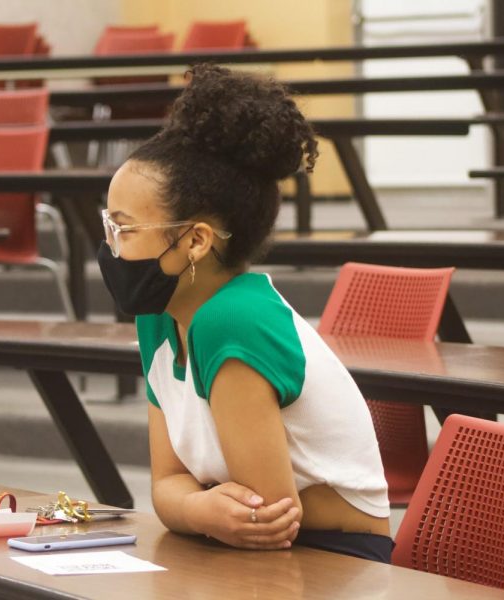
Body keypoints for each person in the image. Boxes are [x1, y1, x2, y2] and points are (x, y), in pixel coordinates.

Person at [96, 64, 392, 563]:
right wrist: (197, 510)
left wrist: (196, 507)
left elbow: (268, 518)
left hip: (335, 562)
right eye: (109, 225)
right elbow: (166, 485)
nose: (110, 247)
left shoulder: (231, 320)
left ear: (194, 241)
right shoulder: (159, 315)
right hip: (241, 550)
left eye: (124, 229)